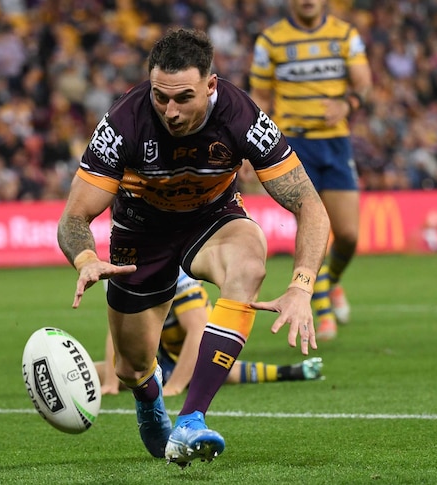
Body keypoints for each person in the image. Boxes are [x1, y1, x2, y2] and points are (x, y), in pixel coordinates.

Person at [57, 29, 330, 467]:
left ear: (211, 85)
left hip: (211, 220)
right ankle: (149, 401)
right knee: (130, 368)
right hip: (139, 234)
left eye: (184, 97)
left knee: (249, 261)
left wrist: (300, 286)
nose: (170, 111)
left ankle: (191, 420)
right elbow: (73, 218)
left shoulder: (243, 118)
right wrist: (86, 257)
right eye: (160, 97)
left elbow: (310, 206)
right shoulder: (123, 122)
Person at [249, 0, 372, 340]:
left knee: (348, 234)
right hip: (294, 146)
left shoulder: (345, 35)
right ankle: (319, 304)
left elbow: (364, 82)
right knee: (311, 223)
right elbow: (259, 97)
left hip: (335, 143)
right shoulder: (270, 41)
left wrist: (347, 103)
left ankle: (330, 281)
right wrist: (249, 147)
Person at [95, 269, 324, 396]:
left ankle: (292, 371)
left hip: (190, 350)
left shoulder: (176, 271)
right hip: (157, 352)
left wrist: (174, 386)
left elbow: (197, 330)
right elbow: (118, 331)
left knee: (217, 370)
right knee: (95, 373)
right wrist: (111, 383)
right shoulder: (118, 267)